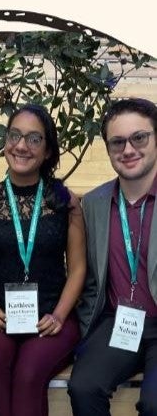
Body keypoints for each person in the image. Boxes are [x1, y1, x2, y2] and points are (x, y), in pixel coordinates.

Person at [0, 104, 86, 416]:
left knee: (29, 373)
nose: (21, 145)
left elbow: (77, 269)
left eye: (34, 139)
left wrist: (59, 315)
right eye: (15, 135)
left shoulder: (65, 201)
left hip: (50, 319)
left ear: (47, 151)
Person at [68, 98, 157, 416]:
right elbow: (90, 277)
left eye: (139, 138)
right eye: (117, 142)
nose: (128, 149)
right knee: (83, 388)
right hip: (120, 322)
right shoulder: (93, 204)